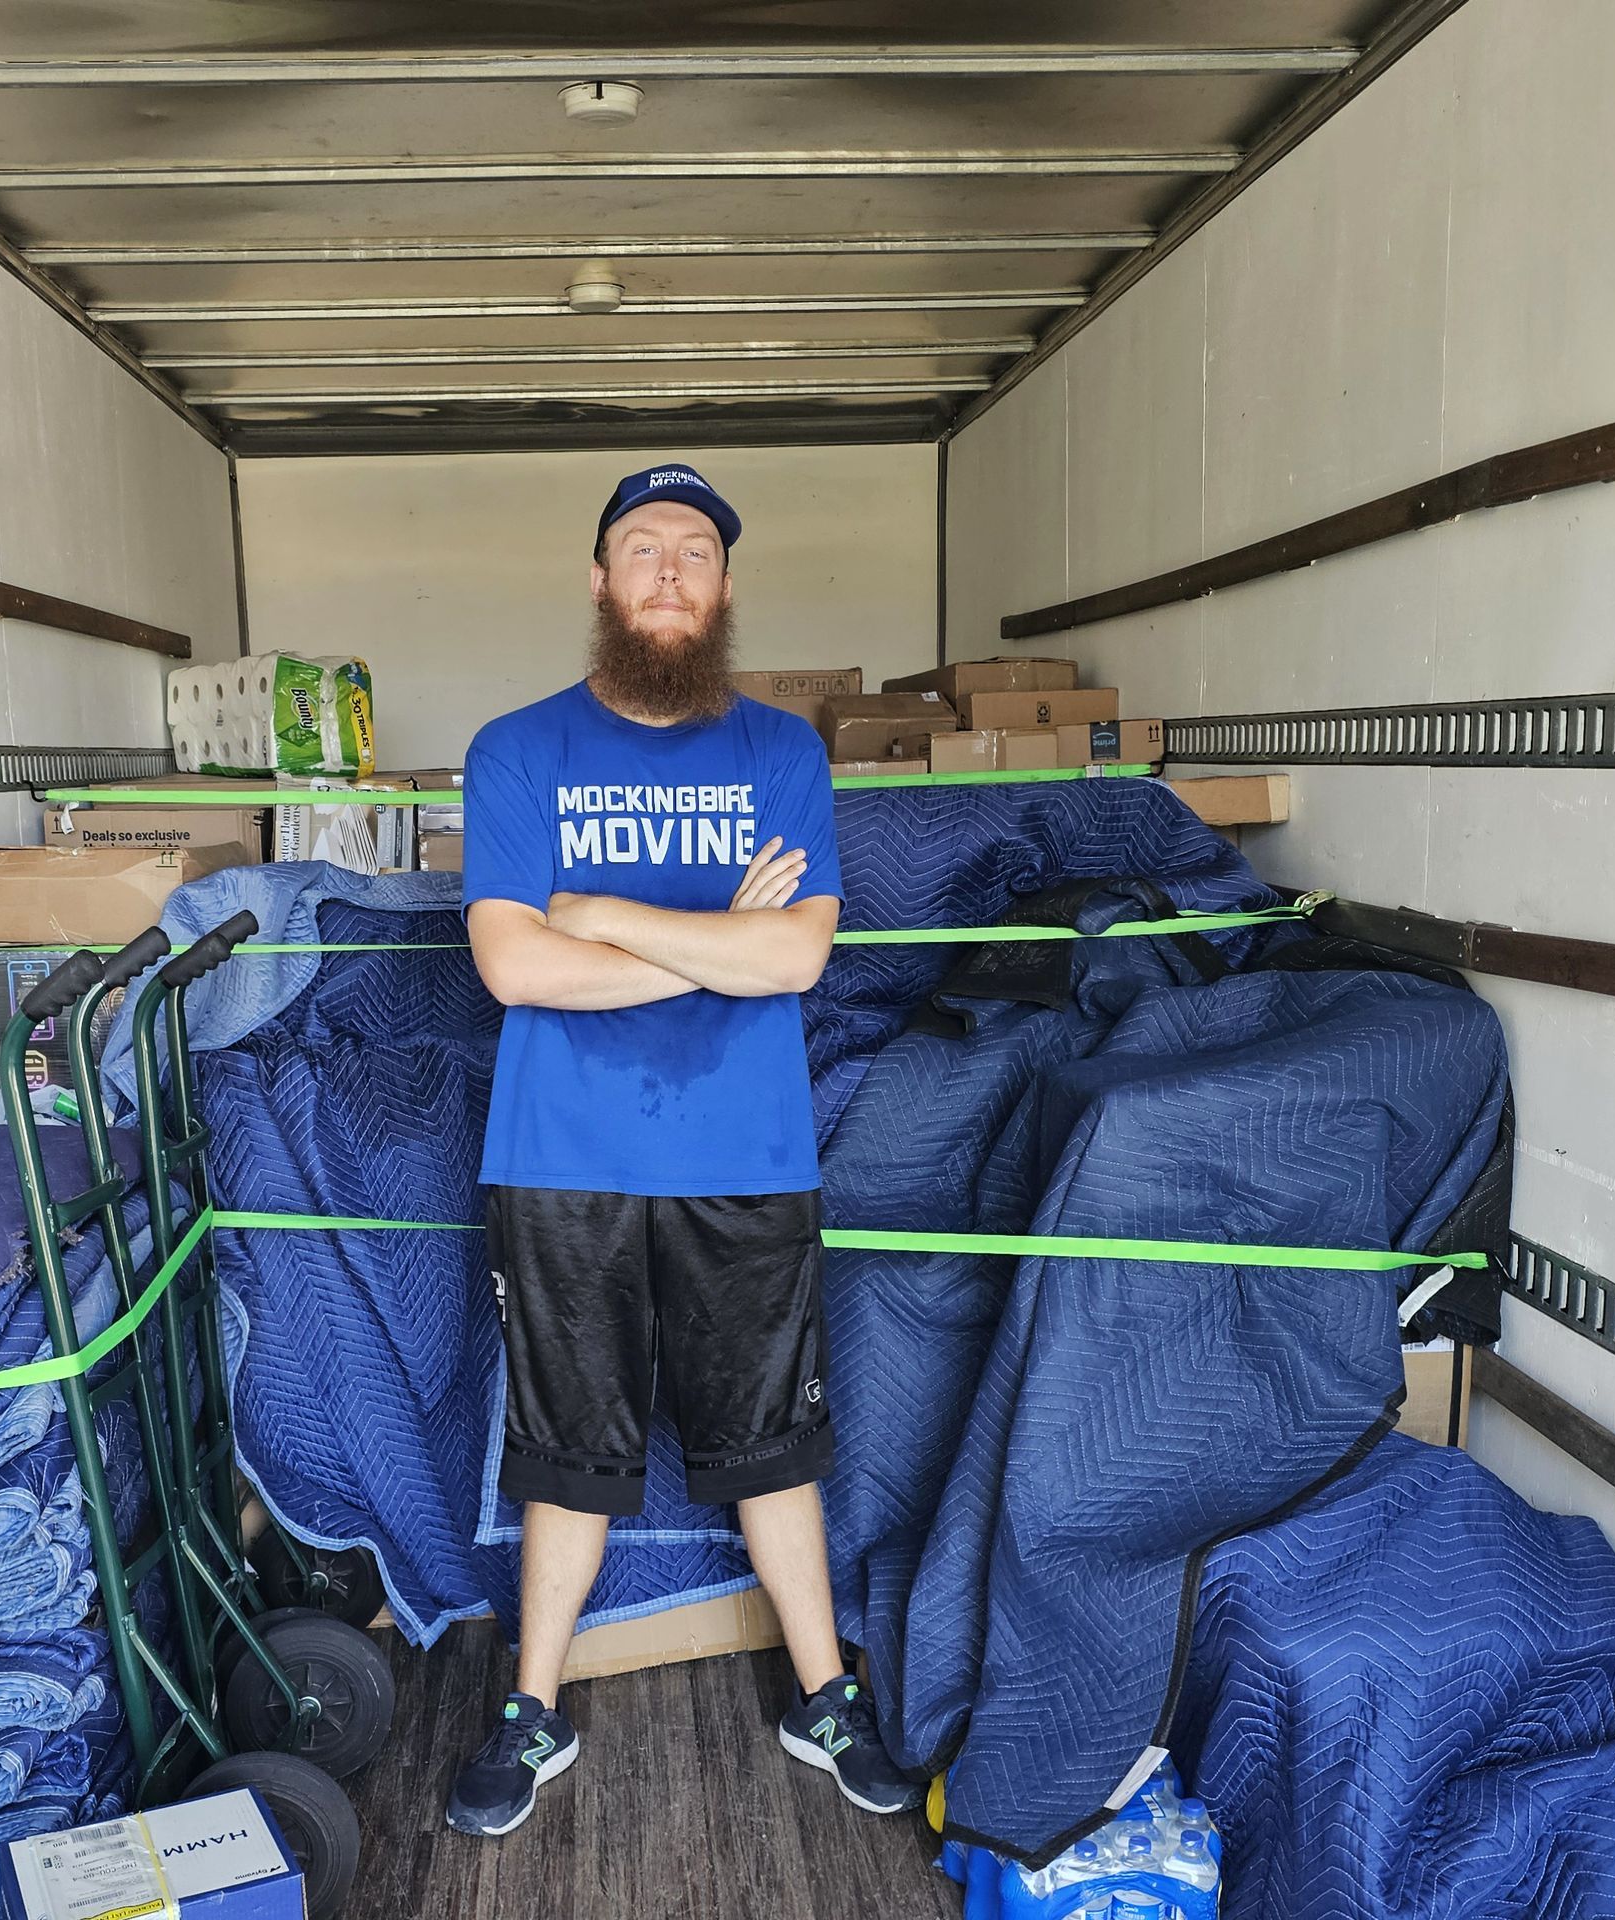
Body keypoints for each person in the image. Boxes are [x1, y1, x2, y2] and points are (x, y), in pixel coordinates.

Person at [444, 464, 921, 1837]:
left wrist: (597, 909)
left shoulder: (781, 752)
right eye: (640, 547)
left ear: (721, 589)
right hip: (562, 1154)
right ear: (597, 581)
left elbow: (800, 950)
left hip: (745, 1154)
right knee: (567, 1446)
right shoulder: (518, 748)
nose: (667, 569)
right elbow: (515, 968)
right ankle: (532, 1707)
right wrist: (714, 949)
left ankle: (822, 1692)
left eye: (693, 552)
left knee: (771, 1441)